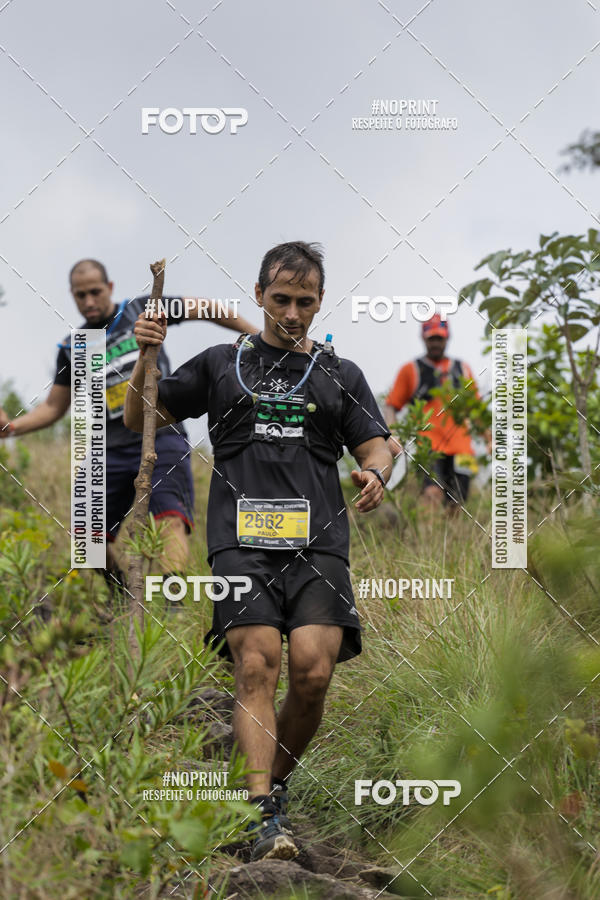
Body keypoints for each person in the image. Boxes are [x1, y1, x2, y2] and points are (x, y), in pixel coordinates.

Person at [124, 241, 393, 861]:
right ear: (258, 294)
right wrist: (145, 359)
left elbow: (376, 442)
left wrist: (376, 472)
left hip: (319, 542)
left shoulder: (339, 374)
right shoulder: (222, 362)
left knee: (313, 672)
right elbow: (142, 413)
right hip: (238, 543)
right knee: (255, 665)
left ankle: (267, 788)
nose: (293, 312)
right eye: (281, 299)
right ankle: (261, 812)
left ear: (321, 301)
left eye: (305, 301)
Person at [0, 258, 257, 591]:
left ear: (109, 288)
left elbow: (206, 308)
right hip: (107, 451)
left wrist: (258, 339)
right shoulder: (75, 346)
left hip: (160, 437)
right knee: (86, 541)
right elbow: (52, 407)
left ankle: (172, 609)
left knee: (170, 524)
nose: (89, 302)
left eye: (95, 292)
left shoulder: (141, 309)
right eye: (81, 296)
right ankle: (122, 599)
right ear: (72, 296)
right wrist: (11, 428)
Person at [384, 313, 481, 509]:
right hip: (427, 447)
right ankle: (428, 540)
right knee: (431, 495)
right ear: (423, 338)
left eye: (440, 338)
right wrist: (392, 434)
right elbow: (391, 405)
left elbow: (476, 410)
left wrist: (490, 440)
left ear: (447, 337)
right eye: (432, 339)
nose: (436, 343)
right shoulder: (410, 370)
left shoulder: (463, 369)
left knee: (458, 503)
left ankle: (453, 540)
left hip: (463, 448)